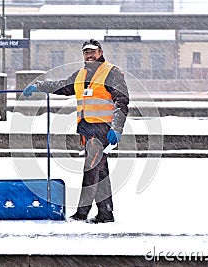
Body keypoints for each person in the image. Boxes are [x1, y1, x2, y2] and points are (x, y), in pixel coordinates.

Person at [23, 39, 129, 223]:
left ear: (101, 52)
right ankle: (106, 213)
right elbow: (63, 86)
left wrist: (116, 128)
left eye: (93, 52)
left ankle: (82, 213)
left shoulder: (111, 73)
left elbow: (122, 102)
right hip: (87, 129)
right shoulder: (80, 75)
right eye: (86, 52)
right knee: (100, 171)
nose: (89, 55)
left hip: (102, 129)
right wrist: (40, 87)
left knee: (91, 170)